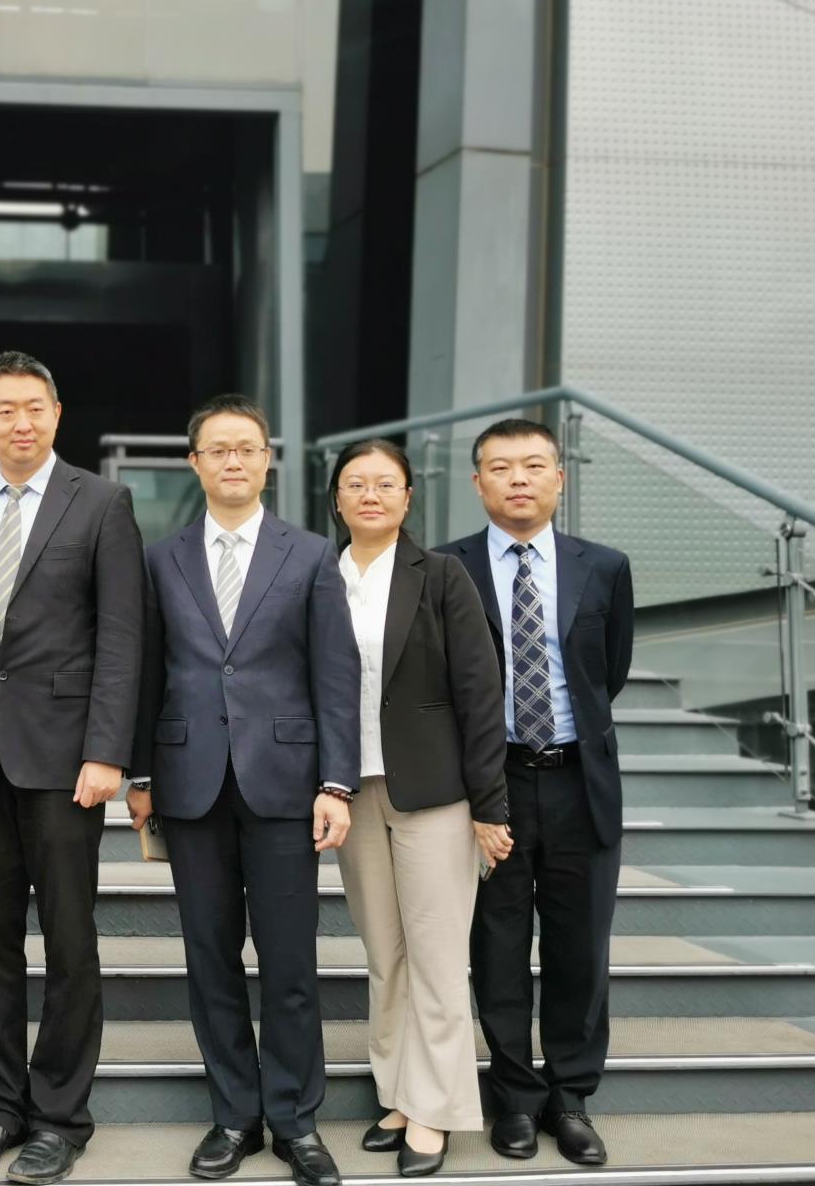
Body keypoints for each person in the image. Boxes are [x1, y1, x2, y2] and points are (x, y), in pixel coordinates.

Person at [128, 393, 359, 1186]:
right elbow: (147, 671)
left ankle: (295, 1119)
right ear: (194, 464)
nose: (233, 460)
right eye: (218, 449)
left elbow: (335, 675)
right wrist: (141, 775)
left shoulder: (312, 555)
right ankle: (234, 1116)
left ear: (267, 462)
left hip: (287, 784)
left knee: (290, 962)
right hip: (189, 783)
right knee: (210, 958)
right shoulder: (161, 558)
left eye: (246, 448)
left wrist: (337, 783)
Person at [0, 350, 144, 1186]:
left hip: (65, 761)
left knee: (69, 941)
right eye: (6, 410)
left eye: (36, 407)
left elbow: (121, 635)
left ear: (57, 414)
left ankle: (59, 1116)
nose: (22, 422)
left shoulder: (103, 502)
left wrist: (107, 750)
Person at [436, 419, 634, 1169]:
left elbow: (608, 671)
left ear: (559, 477)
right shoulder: (445, 567)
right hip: (494, 783)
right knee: (497, 944)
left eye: (532, 465)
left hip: (581, 780)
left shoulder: (604, 567)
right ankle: (515, 1097)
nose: (517, 479)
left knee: (581, 945)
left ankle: (571, 1096)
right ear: (477, 482)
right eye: (500, 467)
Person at [325, 439, 510, 1178]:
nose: (370, 495)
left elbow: (481, 692)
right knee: (386, 954)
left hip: (435, 792)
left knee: (436, 956)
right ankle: (398, 1093)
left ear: (408, 497)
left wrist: (489, 804)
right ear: (336, 498)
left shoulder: (441, 576)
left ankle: (435, 1109)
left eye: (385, 483)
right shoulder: (319, 576)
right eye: (355, 483)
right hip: (351, 789)